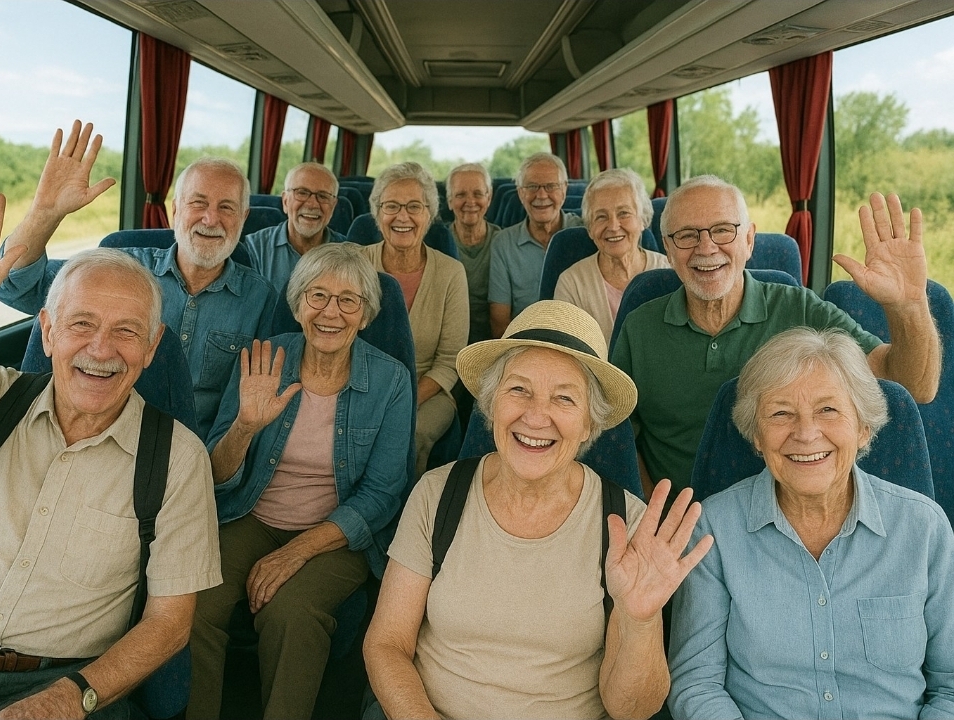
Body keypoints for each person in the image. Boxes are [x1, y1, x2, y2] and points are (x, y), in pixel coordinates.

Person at [0, 185, 221, 719]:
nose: (101, 350)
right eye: (81, 324)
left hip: (65, 682)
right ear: (48, 330)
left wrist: (73, 696)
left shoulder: (178, 458)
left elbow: (169, 624)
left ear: (152, 349)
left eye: (126, 332)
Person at [363, 300, 713, 720]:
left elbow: (632, 710)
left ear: (589, 424)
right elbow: (387, 644)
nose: (535, 415)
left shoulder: (628, 523)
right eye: (519, 389)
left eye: (564, 398)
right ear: (492, 404)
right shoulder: (437, 493)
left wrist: (640, 621)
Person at [669, 327, 954, 718]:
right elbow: (696, 684)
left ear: (863, 427)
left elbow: (951, 686)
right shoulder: (713, 529)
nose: (805, 434)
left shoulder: (924, 529)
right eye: (781, 413)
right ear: (756, 435)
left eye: (828, 410)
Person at [188, 243, 414, 719]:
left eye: (348, 300)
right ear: (297, 305)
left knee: (291, 613)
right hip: (250, 513)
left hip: (337, 534)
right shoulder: (262, 360)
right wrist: (245, 426)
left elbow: (382, 494)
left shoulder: (391, 380)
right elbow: (214, 475)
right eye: (317, 296)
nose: (331, 312)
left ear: (366, 314)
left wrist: (296, 551)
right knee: (195, 604)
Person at [611, 175, 940, 497]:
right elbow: (619, 436)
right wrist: (650, 511)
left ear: (749, 240)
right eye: (686, 235)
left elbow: (914, 386)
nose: (706, 247)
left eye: (723, 230)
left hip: (790, 514)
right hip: (678, 520)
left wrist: (908, 307)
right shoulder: (638, 328)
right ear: (668, 248)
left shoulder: (801, 310)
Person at [0, 120, 278, 437]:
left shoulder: (261, 299)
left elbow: (241, 409)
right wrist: (45, 211)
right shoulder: (122, 267)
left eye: (226, 207)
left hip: (186, 452)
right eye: (198, 203)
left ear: (243, 218)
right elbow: (18, 288)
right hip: (94, 434)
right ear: (175, 211)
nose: (210, 219)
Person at [361, 162, 469, 477]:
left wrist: (401, 402)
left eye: (413, 207)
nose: (403, 217)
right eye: (391, 206)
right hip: (359, 385)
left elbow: (449, 361)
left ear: (429, 214)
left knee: (412, 432)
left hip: (429, 390)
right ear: (377, 213)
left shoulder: (451, 273)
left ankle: (406, 511)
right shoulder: (354, 264)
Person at [554, 168, 671, 339]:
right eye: (601, 217)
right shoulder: (572, 283)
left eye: (624, 213)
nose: (614, 226)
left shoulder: (670, 271)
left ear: (642, 220)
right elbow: (568, 353)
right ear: (590, 228)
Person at [488, 152, 583, 337]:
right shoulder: (503, 243)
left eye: (550, 186)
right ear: (520, 192)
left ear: (564, 190)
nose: (541, 195)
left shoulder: (585, 233)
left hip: (579, 340)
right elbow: (500, 323)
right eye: (532, 186)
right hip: (524, 342)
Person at [241, 161, 345, 291]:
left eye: (323, 196)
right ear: (285, 201)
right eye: (302, 193)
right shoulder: (254, 249)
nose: (312, 204)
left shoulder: (349, 253)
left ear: (333, 206)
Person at [446, 162, 501, 344]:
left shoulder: (503, 242)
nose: (470, 202)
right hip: (447, 335)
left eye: (478, 194)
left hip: (494, 335)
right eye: (461, 194)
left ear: (489, 198)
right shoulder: (437, 243)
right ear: (449, 200)